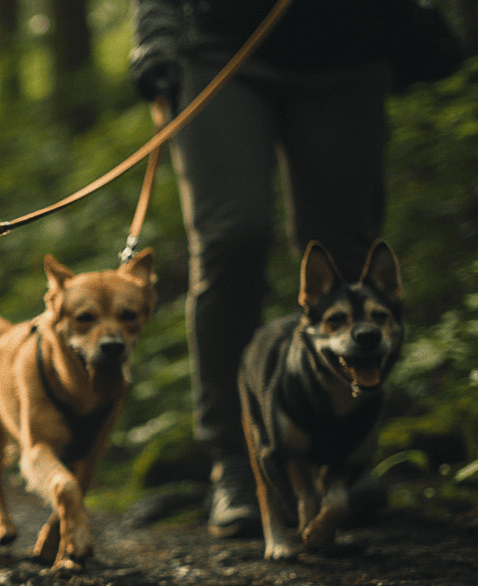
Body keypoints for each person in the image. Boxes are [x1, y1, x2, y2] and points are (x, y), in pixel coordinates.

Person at [129, 0, 398, 538]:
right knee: (233, 237)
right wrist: (155, 35)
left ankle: (344, 459)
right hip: (215, 48)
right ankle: (235, 460)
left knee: (346, 254)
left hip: (348, 50)